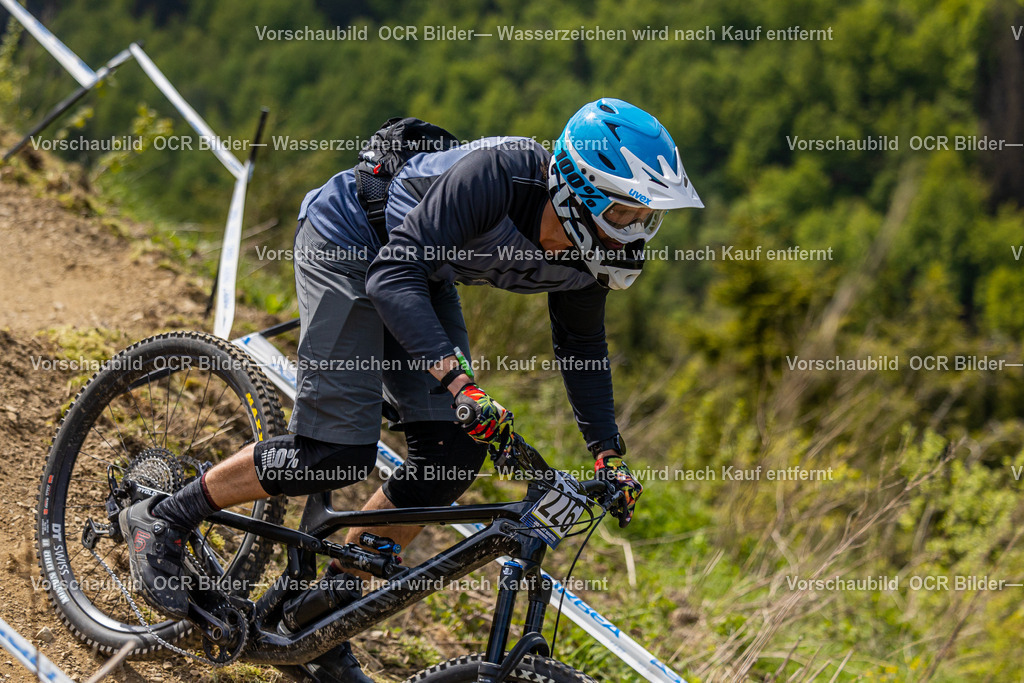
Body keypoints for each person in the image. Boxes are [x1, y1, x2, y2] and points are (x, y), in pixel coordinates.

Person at [119, 98, 703, 681]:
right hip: (353, 237)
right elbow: (391, 275)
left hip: (418, 271)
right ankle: (164, 516)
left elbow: (581, 348)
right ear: (581, 189)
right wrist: (459, 383)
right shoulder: (499, 175)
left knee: (452, 454)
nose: (637, 229)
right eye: (628, 211)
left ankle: (321, 620)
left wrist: (608, 455)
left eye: (646, 216)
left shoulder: (590, 256)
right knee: (334, 452)